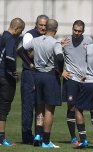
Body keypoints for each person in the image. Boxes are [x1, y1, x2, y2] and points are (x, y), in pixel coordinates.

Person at [22, 19, 64, 148]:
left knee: (39, 108)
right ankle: (46, 141)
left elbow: (21, 50)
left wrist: (30, 64)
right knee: (49, 110)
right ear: (56, 30)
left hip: (37, 76)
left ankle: (38, 135)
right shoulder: (55, 42)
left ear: (46, 28)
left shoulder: (36, 40)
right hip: (50, 76)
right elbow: (60, 57)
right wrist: (60, 71)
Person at [0, 18, 25, 146]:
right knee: (4, 107)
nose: (20, 34)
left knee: (0, 105)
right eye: (21, 31)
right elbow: (9, 57)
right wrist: (13, 73)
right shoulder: (9, 39)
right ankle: (2, 139)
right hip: (5, 77)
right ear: (17, 28)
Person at [61, 20, 93, 146]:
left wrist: (89, 75)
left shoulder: (89, 41)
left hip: (85, 80)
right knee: (72, 107)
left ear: (83, 31)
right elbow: (54, 56)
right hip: (71, 79)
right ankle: (73, 137)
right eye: (75, 30)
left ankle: (89, 137)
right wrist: (61, 71)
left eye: (79, 31)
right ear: (72, 29)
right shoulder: (65, 41)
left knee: (88, 108)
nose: (77, 33)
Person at [19, 15, 49, 145]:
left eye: (45, 25)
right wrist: (31, 65)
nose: (43, 27)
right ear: (36, 24)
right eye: (40, 25)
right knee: (28, 106)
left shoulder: (48, 37)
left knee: (40, 107)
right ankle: (26, 137)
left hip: (42, 75)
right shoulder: (29, 35)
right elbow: (22, 51)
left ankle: (39, 134)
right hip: (30, 74)